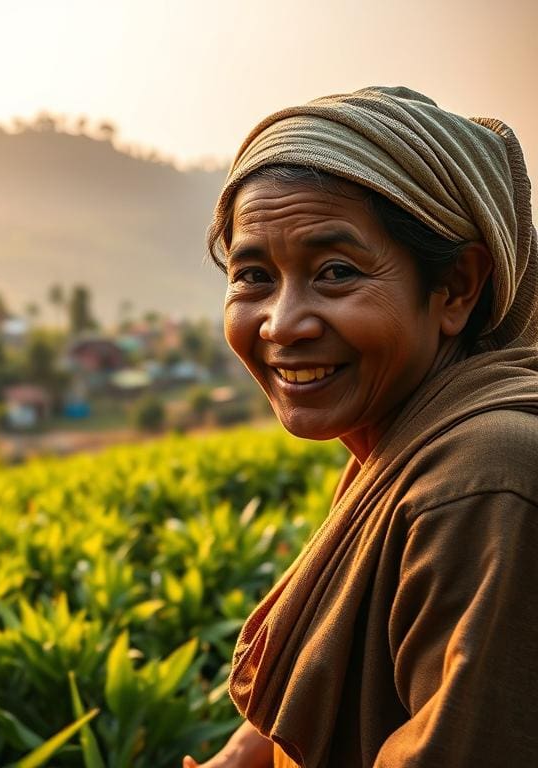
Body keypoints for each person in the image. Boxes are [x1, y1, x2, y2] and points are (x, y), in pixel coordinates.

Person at [182, 86, 538, 767]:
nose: (283, 323)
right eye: (253, 275)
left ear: (458, 287)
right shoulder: (404, 446)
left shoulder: (484, 482)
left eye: (336, 272)